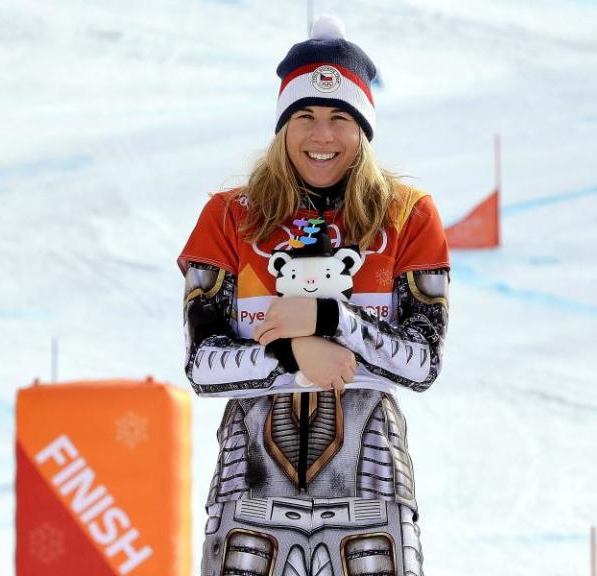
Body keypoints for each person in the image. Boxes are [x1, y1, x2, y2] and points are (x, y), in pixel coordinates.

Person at [177, 15, 449, 576]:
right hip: (251, 482)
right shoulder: (229, 216)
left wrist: (331, 317)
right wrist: (293, 356)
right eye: (304, 116)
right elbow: (203, 367)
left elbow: (422, 364)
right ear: (282, 126)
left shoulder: (407, 215)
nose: (321, 136)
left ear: (363, 130)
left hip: (369, 483)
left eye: (339, 119)